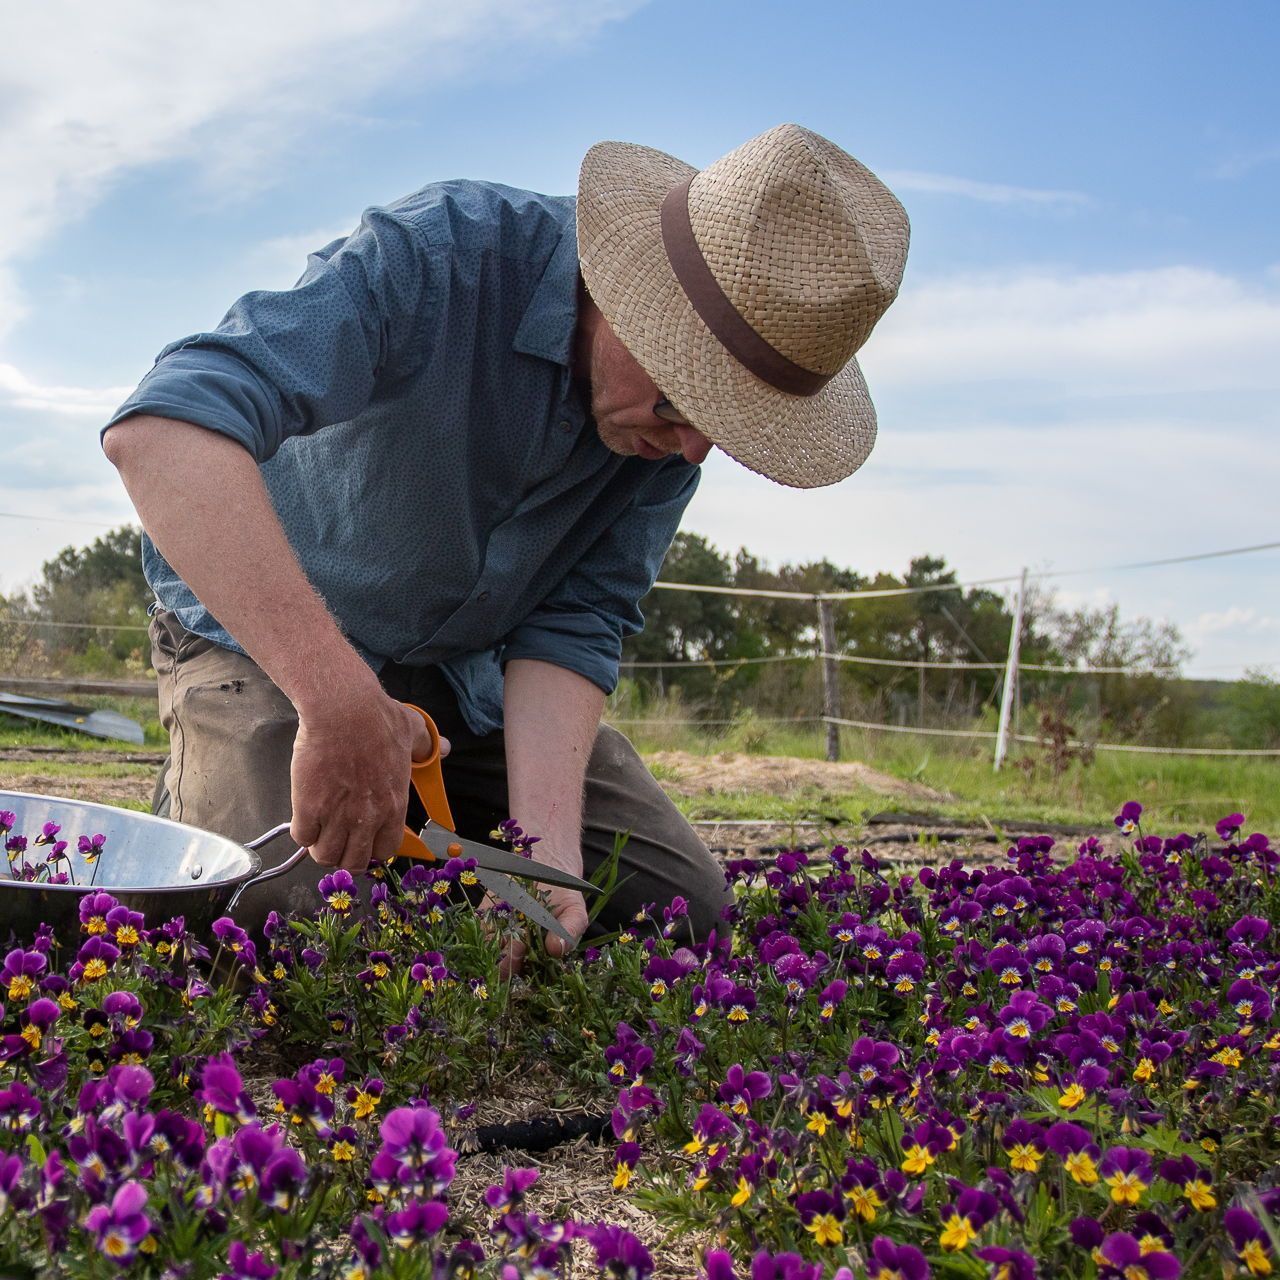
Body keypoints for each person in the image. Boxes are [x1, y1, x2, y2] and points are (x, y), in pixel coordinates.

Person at [100, 123, 909, 964]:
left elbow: (577, 619)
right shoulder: (441, 257)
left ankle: (398, 815)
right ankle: (225, 779)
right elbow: (162, 432)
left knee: (677, 908)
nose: (695, 449)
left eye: (725, 425)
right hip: (266, 649)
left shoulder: (666, 439)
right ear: (627, 295)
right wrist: (338, 704)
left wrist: (545, 851)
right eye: (681, 401)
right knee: (294, 923)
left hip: (458, 679)